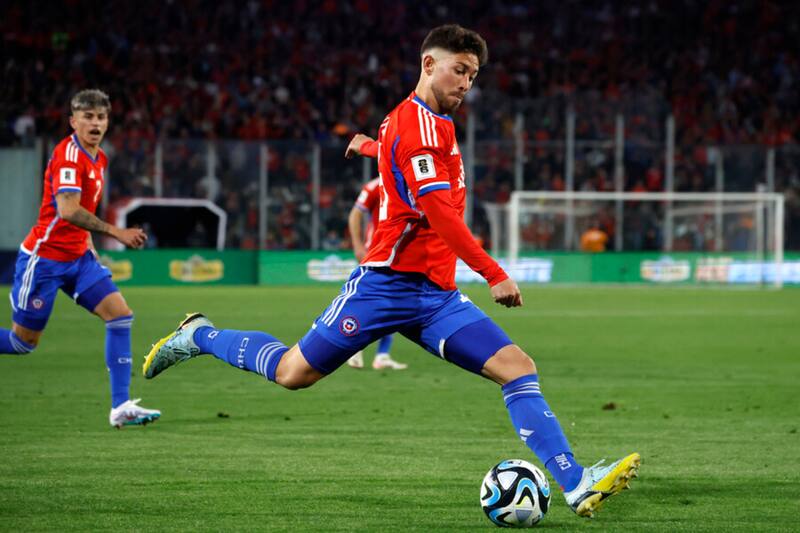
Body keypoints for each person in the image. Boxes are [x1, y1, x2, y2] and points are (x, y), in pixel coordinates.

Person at [143, 25, 639, 518]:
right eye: (459, 70)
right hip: (384, 286)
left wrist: (370, 149)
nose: (467, 83)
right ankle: (200, 335)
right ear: (429, 65)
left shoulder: (425, 123)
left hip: (437, 296)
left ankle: (575, 482)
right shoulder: (419, 126)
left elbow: (401, 159)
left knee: (517, 367)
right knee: (293, 373)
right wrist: (492, 273)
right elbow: (441, 213)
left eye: (473, 74)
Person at [0, 89, 161, 429]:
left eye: (101, 117)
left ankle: (120, 407)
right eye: (88, 117)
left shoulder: (99, 158)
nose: (95, 123)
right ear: (73, 121)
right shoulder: (68, 155)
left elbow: (80, 212)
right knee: (21, 343)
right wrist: (115, 232)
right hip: (44, 260)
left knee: (120, 315)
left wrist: (89, 242)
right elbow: (68, 209)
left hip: (78, 258)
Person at [344, 176, 407, 370]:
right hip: (379, 252)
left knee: (394, 302)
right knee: (375, 301)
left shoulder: (411, 182)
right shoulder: (375, 186)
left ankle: (380, 355)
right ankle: (357, 349)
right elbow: (355, 214)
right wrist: (357, 245)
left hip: (401, 253)